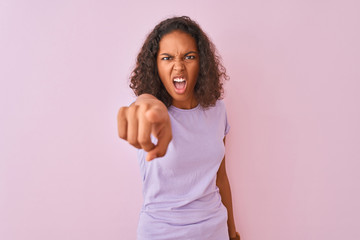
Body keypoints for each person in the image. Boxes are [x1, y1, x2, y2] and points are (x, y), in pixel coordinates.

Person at [117, 16, 240, 240]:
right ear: (155, 65)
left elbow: (221, 178)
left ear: (201, 62)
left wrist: (232, 233)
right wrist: (143, 104)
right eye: (167, 58)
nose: (178, 66)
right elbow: (145, 105)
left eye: (189, 56)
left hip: (214, 231)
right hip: (162, 233)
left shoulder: (217, 110)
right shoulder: (154, 113)